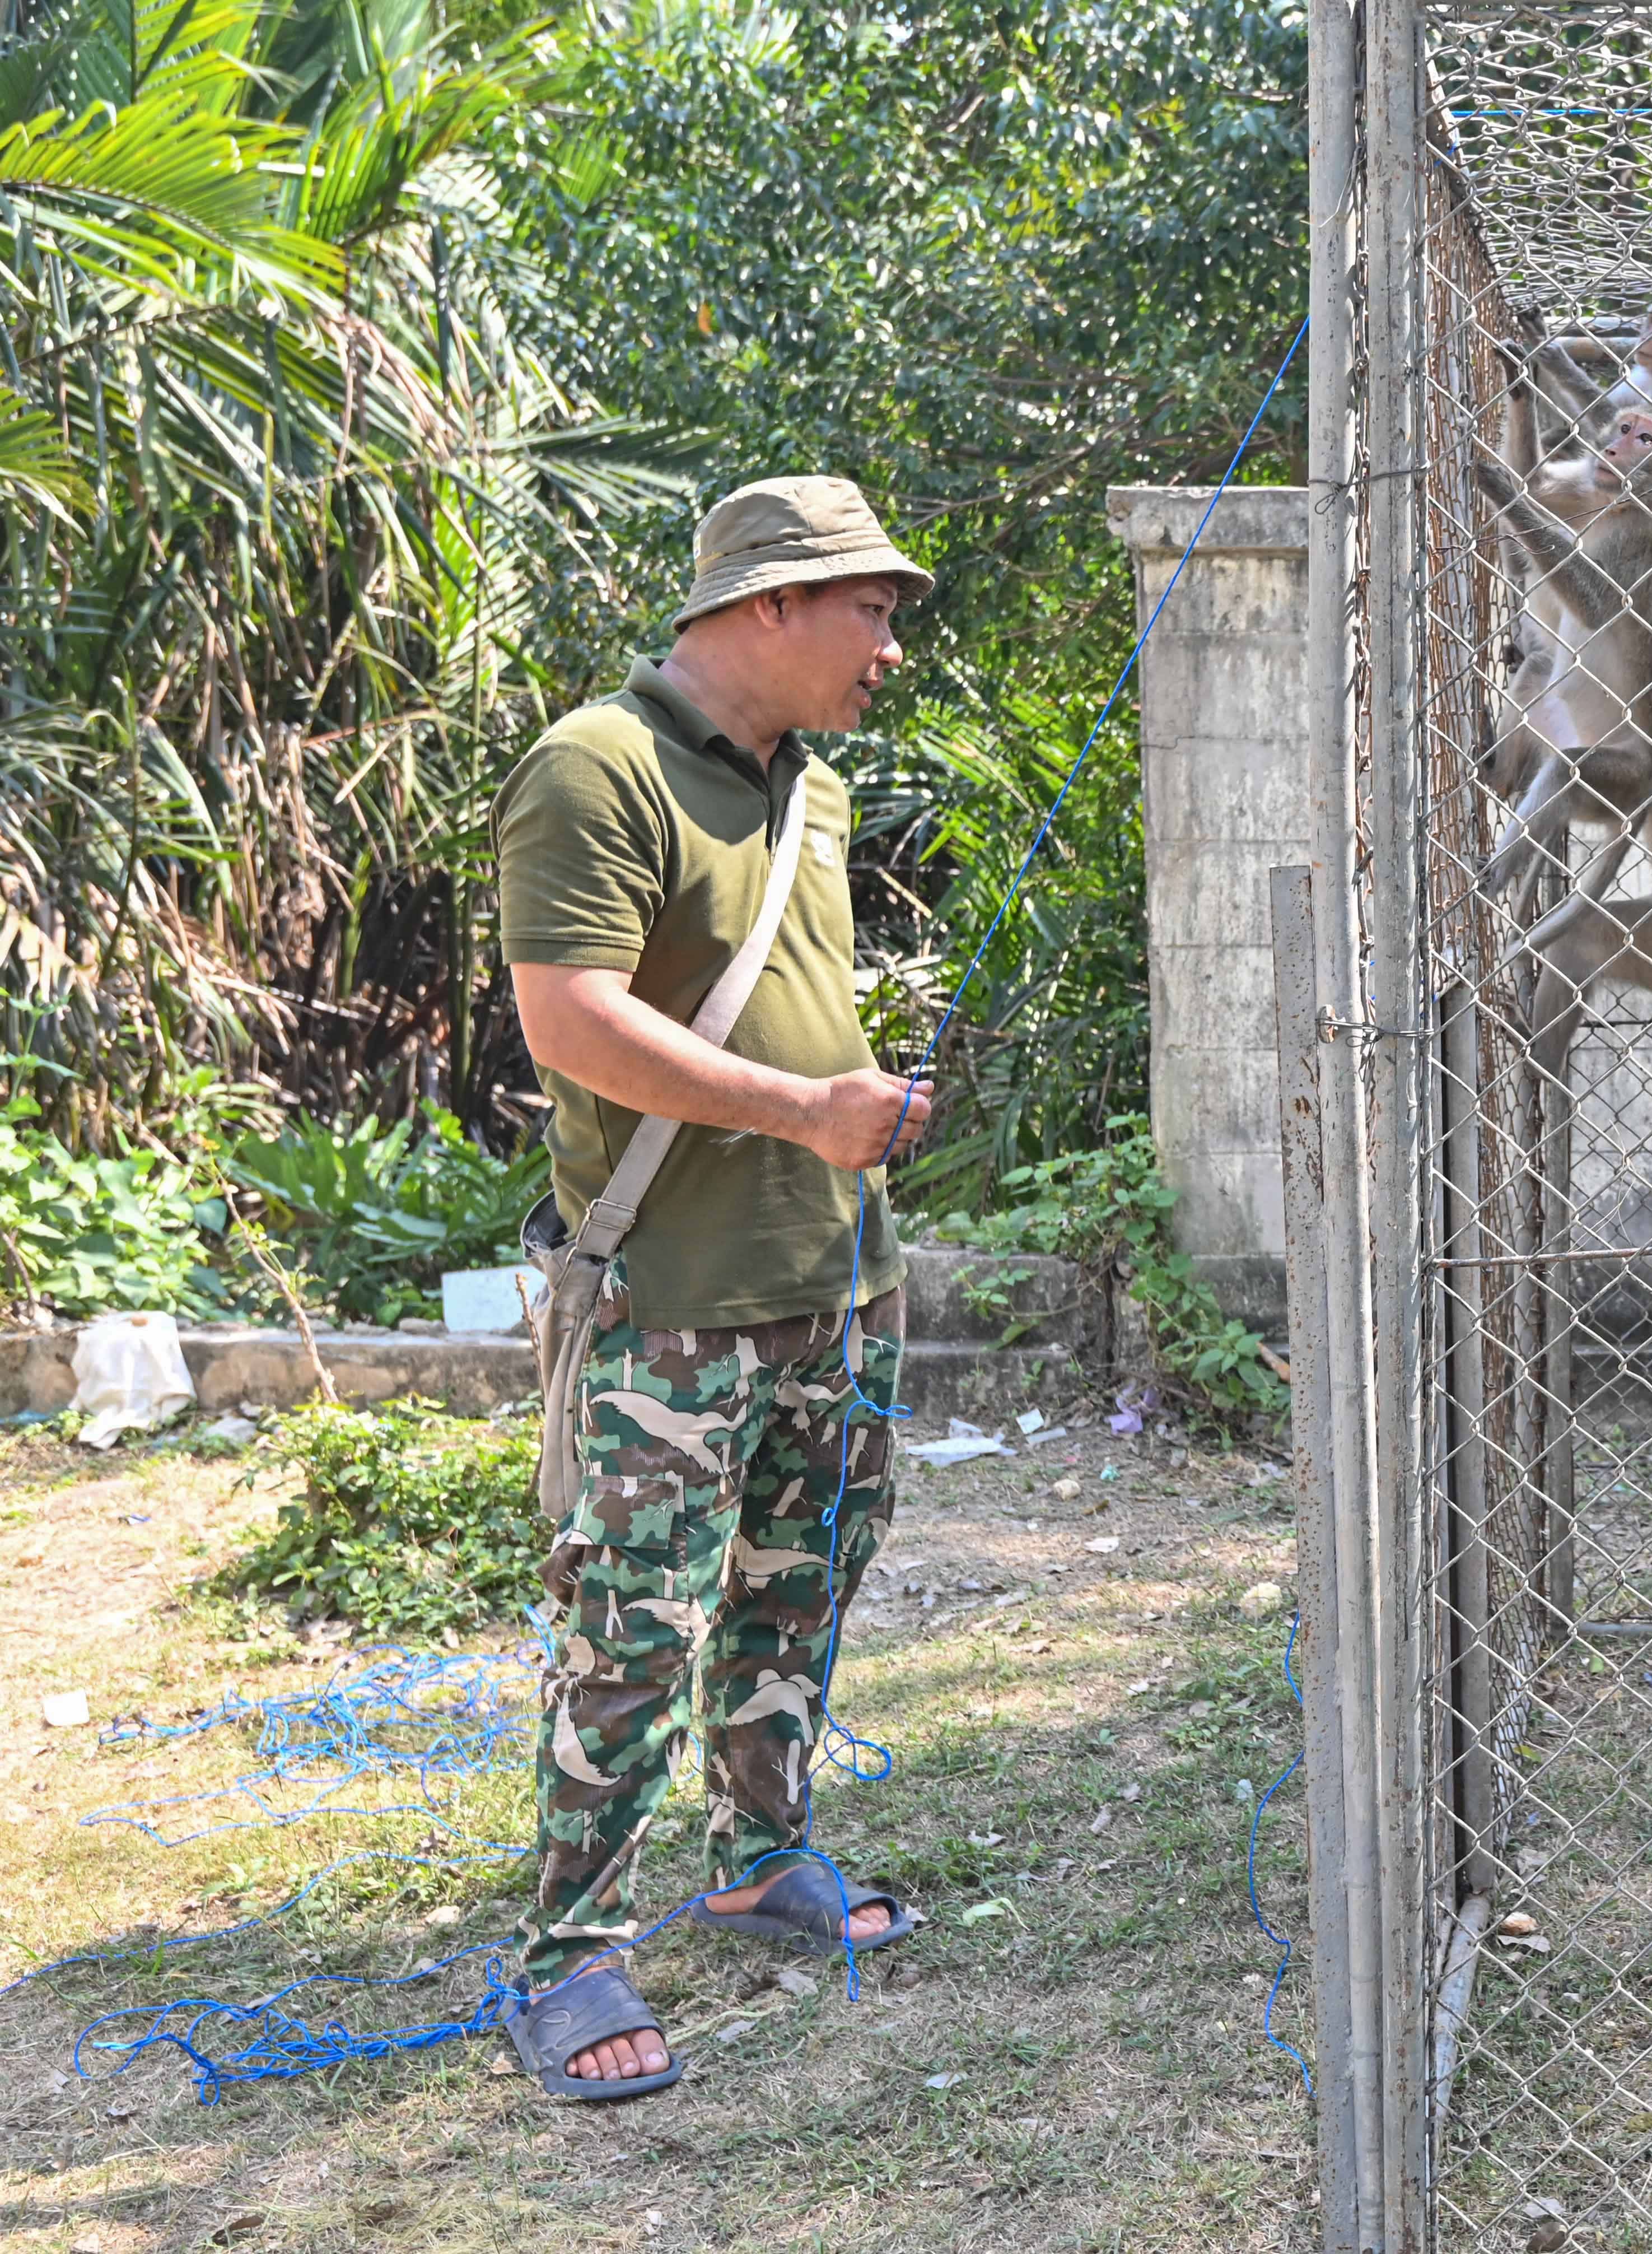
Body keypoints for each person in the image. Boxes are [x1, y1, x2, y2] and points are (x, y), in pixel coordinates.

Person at [492, 476, 939, 2100]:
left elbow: (765, 1009)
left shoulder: (803, 783)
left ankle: (761, 1858)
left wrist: (854, 1112)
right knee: (633, 1627)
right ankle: (573, 1956)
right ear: (769, 604)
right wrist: (805, 1113)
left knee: (799, 1583)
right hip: (673, 1301)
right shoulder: (592, 768)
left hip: (835, 1275)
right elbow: (572, 1023)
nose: (891, 645)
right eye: (871, 610)